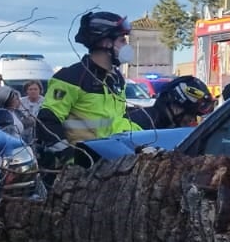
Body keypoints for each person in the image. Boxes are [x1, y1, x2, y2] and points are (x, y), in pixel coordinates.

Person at [35, 11, 138, 169]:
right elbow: (47, 121)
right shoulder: (72, 77)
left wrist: (144, 139)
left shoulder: (116, 78)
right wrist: (70, 157)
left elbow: (118, 120)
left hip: (113, 163)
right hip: (83, 169)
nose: (126, 45)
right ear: (105, 43)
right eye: (122, 40)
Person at [126, 75, 216, 130]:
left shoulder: (169, 128)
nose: (192, 120)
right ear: (175, 107)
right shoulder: (140, 123)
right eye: (190, 115)